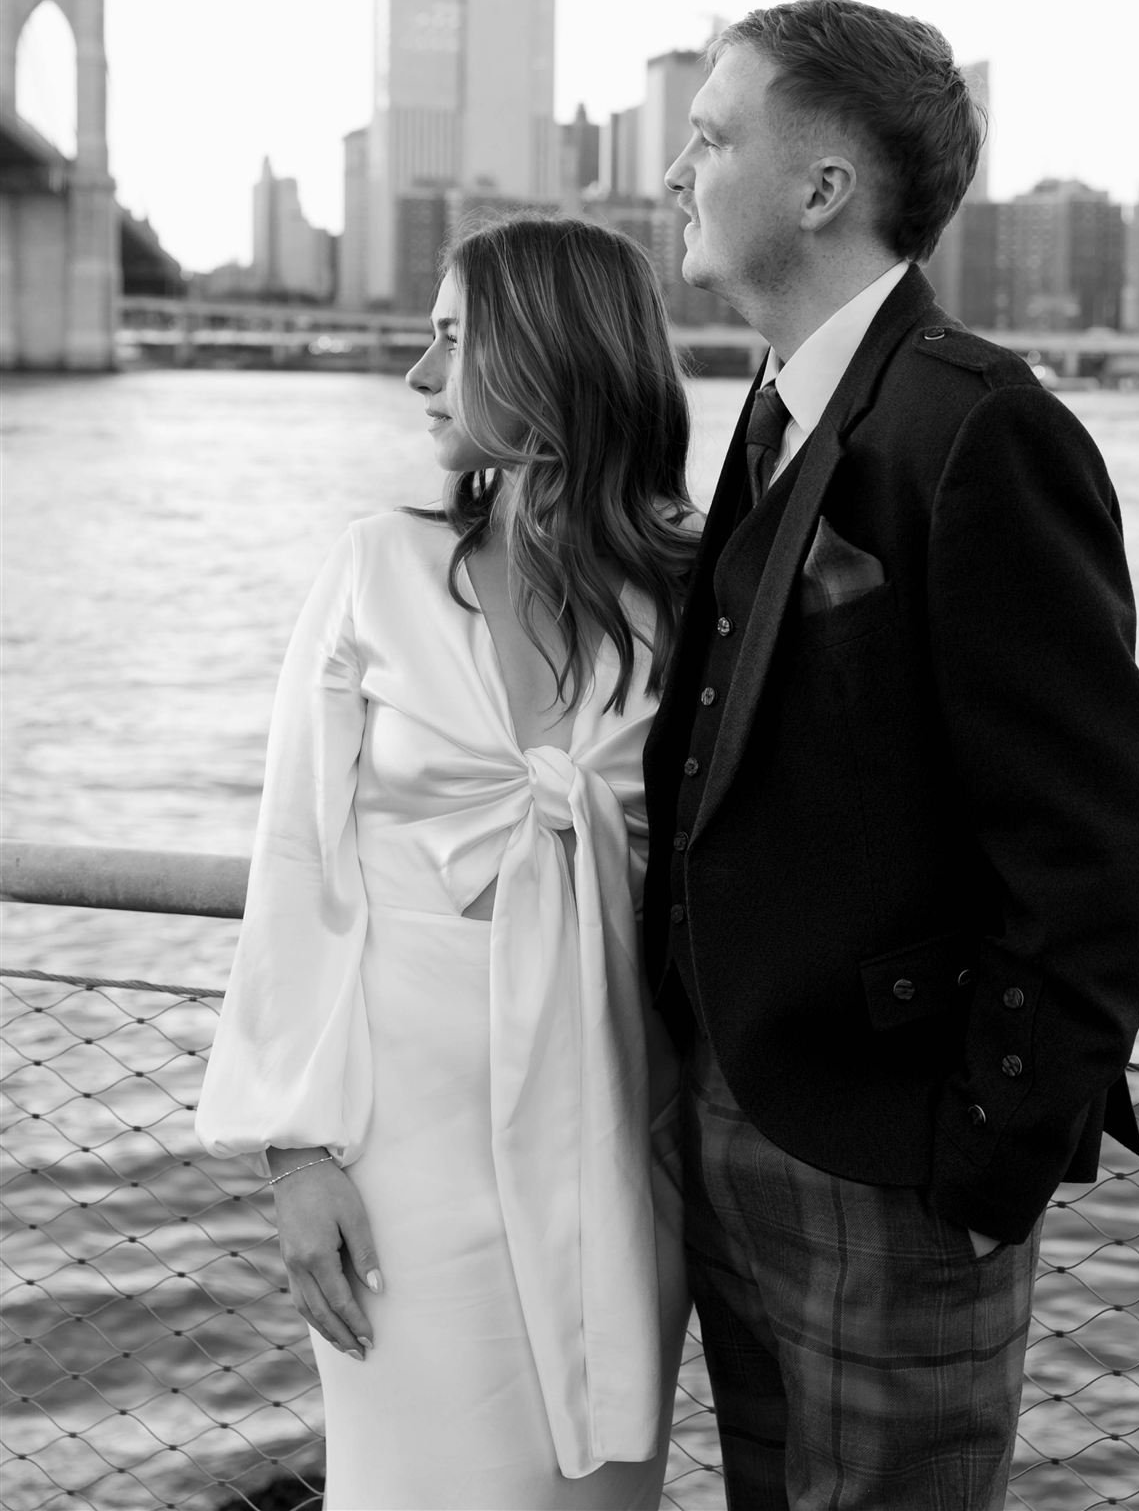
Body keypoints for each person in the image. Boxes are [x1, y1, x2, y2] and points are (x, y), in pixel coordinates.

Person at [642, 0, 1139, 1511]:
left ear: (821, 188)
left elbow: (1095, 837)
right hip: (734, 1108)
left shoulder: (976, 429)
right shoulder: (771, 407)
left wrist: (980, 1163)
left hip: (888, 1170)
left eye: (708, 137)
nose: (674, 173)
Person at [197, 214, 697, 1511]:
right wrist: (297, 1158)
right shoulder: (378, 572)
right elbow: (298, 871)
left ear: (545, 362)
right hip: (397, 1172)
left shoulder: (696, 607)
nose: (419, 381)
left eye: (450, 341)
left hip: (615, 1146)